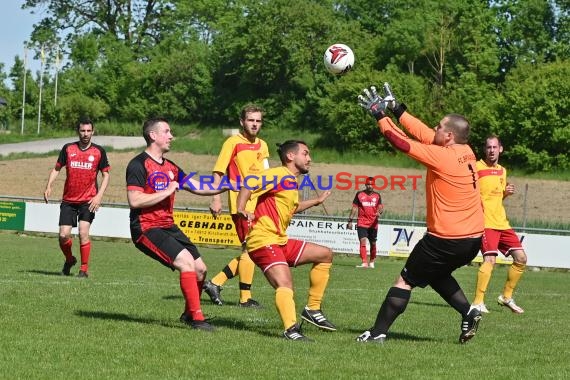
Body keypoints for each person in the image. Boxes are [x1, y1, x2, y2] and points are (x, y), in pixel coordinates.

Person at [356, 84, 484, 344]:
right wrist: (397, 110)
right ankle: (469, 312)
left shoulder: (442, 158)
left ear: (448, 136)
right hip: (472, 240)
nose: (434, 128)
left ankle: (377, 332)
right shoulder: (466, 151)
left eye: (439, 126)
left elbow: (402, 142)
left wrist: (380, 116)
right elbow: (426, 134)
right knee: (435, 274)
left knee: (404, 280)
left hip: (445, 240)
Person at [126, 118, 228, 331]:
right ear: (153, 136)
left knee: (200, 269)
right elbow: (135, 200)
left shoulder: (171, 167)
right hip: (146, 227)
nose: (171, 136)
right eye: (167, 131)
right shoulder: (137, 164)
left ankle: (188, 313)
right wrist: (167, 191)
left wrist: (229, 186)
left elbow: (198, 187)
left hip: (167, 225)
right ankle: (197, 320)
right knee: (186, 263)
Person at [236, 140, 336, 341]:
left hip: (279, 240)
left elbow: (292, 208)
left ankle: (312, 309)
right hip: (263, 240)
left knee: (325, 254)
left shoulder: (290, 180)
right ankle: (291, 330)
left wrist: (316, 202)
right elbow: (249, 183)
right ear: (291, 156)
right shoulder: (279, 174)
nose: (309, 159)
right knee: (285, 284)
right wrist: (241, 207)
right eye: (305, 154)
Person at [204, 105, 270, 308]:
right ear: (242, 122)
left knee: (253, 250)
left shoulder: (263, 145)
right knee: (250, 249)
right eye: (251, 120)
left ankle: (215, 283)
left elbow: (267, 175)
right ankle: (244, 298)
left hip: (259, 204)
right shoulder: (232, 142)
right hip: (240, 205)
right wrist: (215, 198)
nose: (255, 124)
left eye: (258, 121)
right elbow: (218, 172)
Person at [43, 118, 110, 278]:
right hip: (69, 200)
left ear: (93, 132)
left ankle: (84, 270)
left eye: (88, 131)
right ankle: (70, 259)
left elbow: (106, 175)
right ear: (78, 131)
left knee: (83, 232)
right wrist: (49, 185)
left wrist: (99, 196)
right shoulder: (68, 149)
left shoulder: (99, 151)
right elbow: (56, 169)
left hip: (88, 200)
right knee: (63, 236)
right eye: (82, 131)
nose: (85, 134)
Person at [471, 135, 527, 314]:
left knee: (521, 258)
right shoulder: (476, 168)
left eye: (495, 147)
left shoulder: (503, 171)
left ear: (500, 149)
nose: (492, 150)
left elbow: (497, 196)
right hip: (486, 222)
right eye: (488, 147)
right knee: (490, 260)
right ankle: (478, 302)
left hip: (502, 222)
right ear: (484, 150)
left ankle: (506, 297)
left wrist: (506, 193)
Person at [347, 177, 384, 268]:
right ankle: (364, 262)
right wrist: (350, 221)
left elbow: (381, 208)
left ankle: (371, 261)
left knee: (373, 243)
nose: (369, 186)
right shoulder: (359, 194)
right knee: (362, 241)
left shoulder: (377, 195)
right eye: (368, 184)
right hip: (362, 222)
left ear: (374, 185)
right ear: (365, 184)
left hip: (373, 223)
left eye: (371, 184)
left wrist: (379, 212)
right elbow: (354, 208)